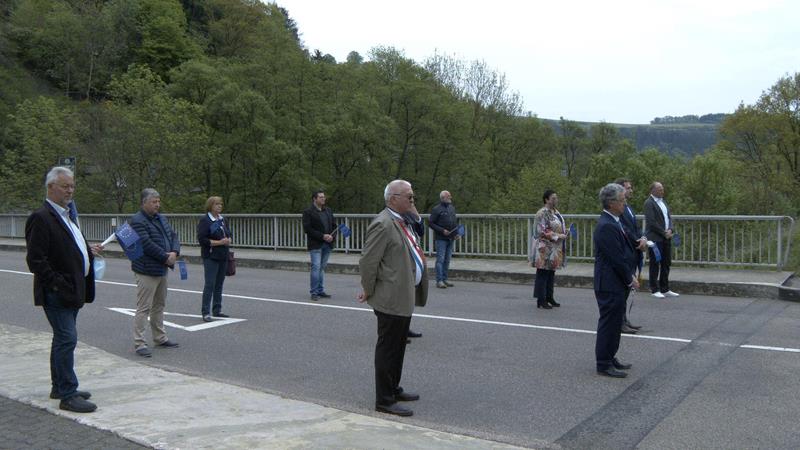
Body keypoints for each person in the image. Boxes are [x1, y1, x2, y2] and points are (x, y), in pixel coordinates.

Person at [25, 166, 103, 413]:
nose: (70, 190)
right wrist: (58, 284)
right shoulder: (42, 217)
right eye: (65, 186)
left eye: (72, 186)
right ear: (51, 187)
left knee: (62, 339)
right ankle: (67, 394)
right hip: (58, 292)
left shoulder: (67, 215)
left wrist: (86, 252)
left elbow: (65, 248)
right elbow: (36, 260)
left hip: (72, 290)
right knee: (67, 338)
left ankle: (60, 386)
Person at [357, 180, 428, 417]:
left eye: (412, 196)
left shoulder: (402, 220)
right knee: (388, 348)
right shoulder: (383, 224)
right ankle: (384, 399)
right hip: (389, 297)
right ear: (392, 199)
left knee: (399, 347)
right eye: (408, 196)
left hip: (402, 296)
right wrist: (367, 289)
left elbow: (419, 229)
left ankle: (394, 388)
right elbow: (368, 261)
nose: (412, 199)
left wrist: (412, 209)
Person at [593, 183, 639, 378]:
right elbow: (616, 258)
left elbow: (627, 245)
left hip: (616, 282)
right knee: (609, 323)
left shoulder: (616, 221)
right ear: (611, 203)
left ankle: (611, 357)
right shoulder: (606, 226)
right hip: (609, 283)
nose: (624, 203)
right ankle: (603, 362)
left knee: (615, 323)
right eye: (622, 200)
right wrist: (630, 278)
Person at [129, 188, 181, 357]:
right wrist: (166, 257)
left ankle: (160, 337)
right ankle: (139, 343)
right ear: (144, 203)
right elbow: (145, 244)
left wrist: (175, 252)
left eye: (158, 201)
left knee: (159, 306)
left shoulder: (161, 218)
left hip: (161, 268)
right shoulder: (137, 220)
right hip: (146, 270)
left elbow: (173, 235)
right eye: (154, 202)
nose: (157, 205)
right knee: (144, 307)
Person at [615, 178, 646, 334]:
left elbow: (636, 227)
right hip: (627, 252)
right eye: (628, 188)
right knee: (623, 289)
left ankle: (624, 319)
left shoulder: (629, 208)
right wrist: (637, 240)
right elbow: (624, 229)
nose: (631, 190)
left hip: (634, 251)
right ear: (620, 190)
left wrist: (643, 238)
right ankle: (620, 322)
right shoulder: (618, 209)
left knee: (627, 290)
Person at [197, 196, 232, 322]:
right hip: (211, 256)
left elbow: (228, 233)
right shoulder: (205, 220)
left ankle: (217, 309)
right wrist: (219, 242)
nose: (219, 206)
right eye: (217, 204)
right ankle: (205, 312)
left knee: (219, 284)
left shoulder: (223, 219)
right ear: (210, 206)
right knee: (210, 284)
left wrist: (228, 240)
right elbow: (202, 239)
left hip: (223, 255)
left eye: (221, 204)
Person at [531, 190, 567, 309]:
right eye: (553, 198)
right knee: (543, 273)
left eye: (556, 198)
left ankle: (549, 297)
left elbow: (555, 226)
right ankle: (541, 299)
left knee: (551, 273)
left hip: (554, 248)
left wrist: (563, 232)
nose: (556, 200)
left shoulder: (556, 212)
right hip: (544, 247)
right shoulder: (542, 213)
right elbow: (541, 230)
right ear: (546, 199)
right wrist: (557, 236)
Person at [643, 182, 679, 298]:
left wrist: (671, 229)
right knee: (655, 263)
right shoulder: (649, 203)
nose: (662, 191)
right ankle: (654, 289)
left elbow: (669, 218)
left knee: (666, 263)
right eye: (659, 189)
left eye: (662, 189)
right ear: (652, 190)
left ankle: (665, 288)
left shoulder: (663, 202)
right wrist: (664, 233)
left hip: (666, 237)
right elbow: (651, 222)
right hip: (655, 238)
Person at [302, 190, 336, 301]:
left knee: (321, 268)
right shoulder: (308, 212)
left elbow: (334, 226)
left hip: (327, 244)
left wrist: (332, 236)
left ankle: (320, 291)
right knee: (316, 268)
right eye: (321, 197)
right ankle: (314, 292)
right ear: (314, 199)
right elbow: (307, 229)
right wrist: (322, 236)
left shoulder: (328, 210)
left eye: (324, 197)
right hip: (316, 244)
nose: (323, 199)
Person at [428, 190, 459, 289]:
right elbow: (431, 223)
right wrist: (442, 230)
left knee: (447, 259)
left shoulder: (451, 208)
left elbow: (454, 222)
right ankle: (439, 280)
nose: (451, 197)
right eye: (449, 196)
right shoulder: (436, 209)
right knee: (440, 260)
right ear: (443, 198)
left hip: (451, 238)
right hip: (441, 238)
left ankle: (445, 279)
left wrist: (456, 233)